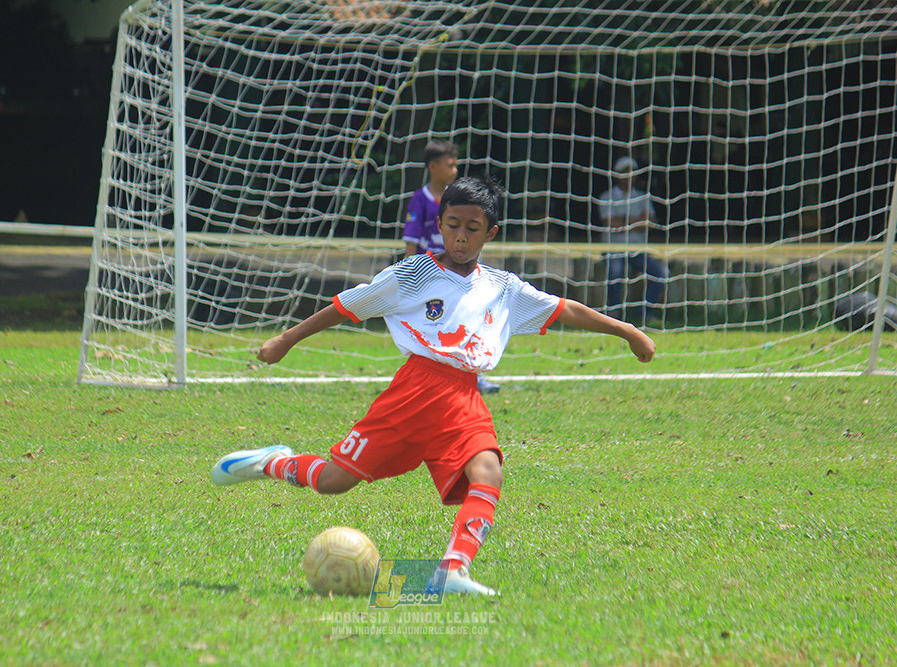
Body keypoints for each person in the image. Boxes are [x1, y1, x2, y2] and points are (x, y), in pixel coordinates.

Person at [211, 177, 656, 596]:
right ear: (439, 225)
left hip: (466, 396)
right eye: (453, 225)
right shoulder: (412, 275)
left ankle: (453, 569)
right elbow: (348, 306)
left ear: (490, 233)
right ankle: (276, 462)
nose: (461, 236)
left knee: (489, 471)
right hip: (415, 391)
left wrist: (627, 331)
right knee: (333, 481)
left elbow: (565, 310)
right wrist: (286, 340)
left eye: (472, 228)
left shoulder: (503, 288)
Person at [403, 139, 500, 394]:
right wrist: (410, 273)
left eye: (456, 165)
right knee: (430, 328)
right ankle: (423, 377)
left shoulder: (460, 201)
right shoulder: (420, 200)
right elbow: (411, 240)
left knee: (468, 321)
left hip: (457, 274)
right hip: (431, 276)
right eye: (450, 165)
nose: (455, 170)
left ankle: (474, 376)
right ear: (433, 167)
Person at [597, 155, 669, 324]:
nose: (630, 176)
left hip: (638, 250)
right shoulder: (607, 196)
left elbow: (651, 222)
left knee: (662, 273)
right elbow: (611, 224)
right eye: (625, 172)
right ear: (617, 174)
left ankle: (645, 312)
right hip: (614, 248)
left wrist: (625, 221)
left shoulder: (643, 196)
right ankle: (614, 314)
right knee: (615, 272)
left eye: (633, 172)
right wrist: (638, 220)